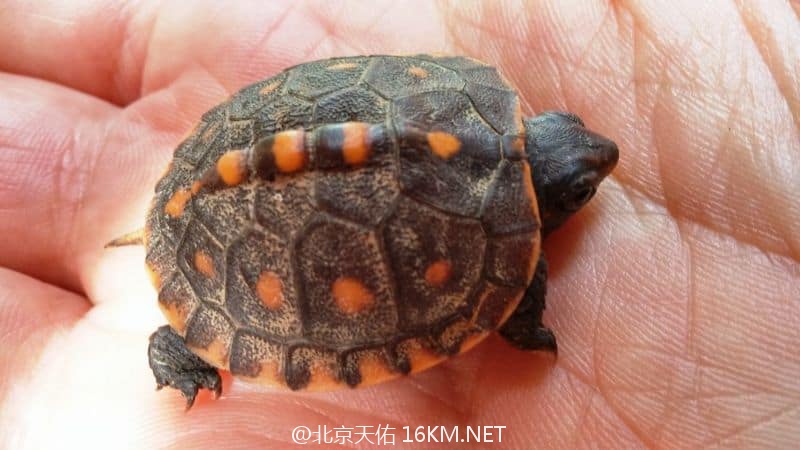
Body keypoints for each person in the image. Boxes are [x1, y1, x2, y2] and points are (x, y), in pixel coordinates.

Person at [0, 1, 797, 448]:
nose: (598, 159)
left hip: (223, 151)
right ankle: (181, 341)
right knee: (191, 332)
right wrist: (526, 323)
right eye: (583, 182)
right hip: (224, 219)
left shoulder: (464, 98)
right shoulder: (507, 253)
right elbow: (516, 304)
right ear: (554, 204)